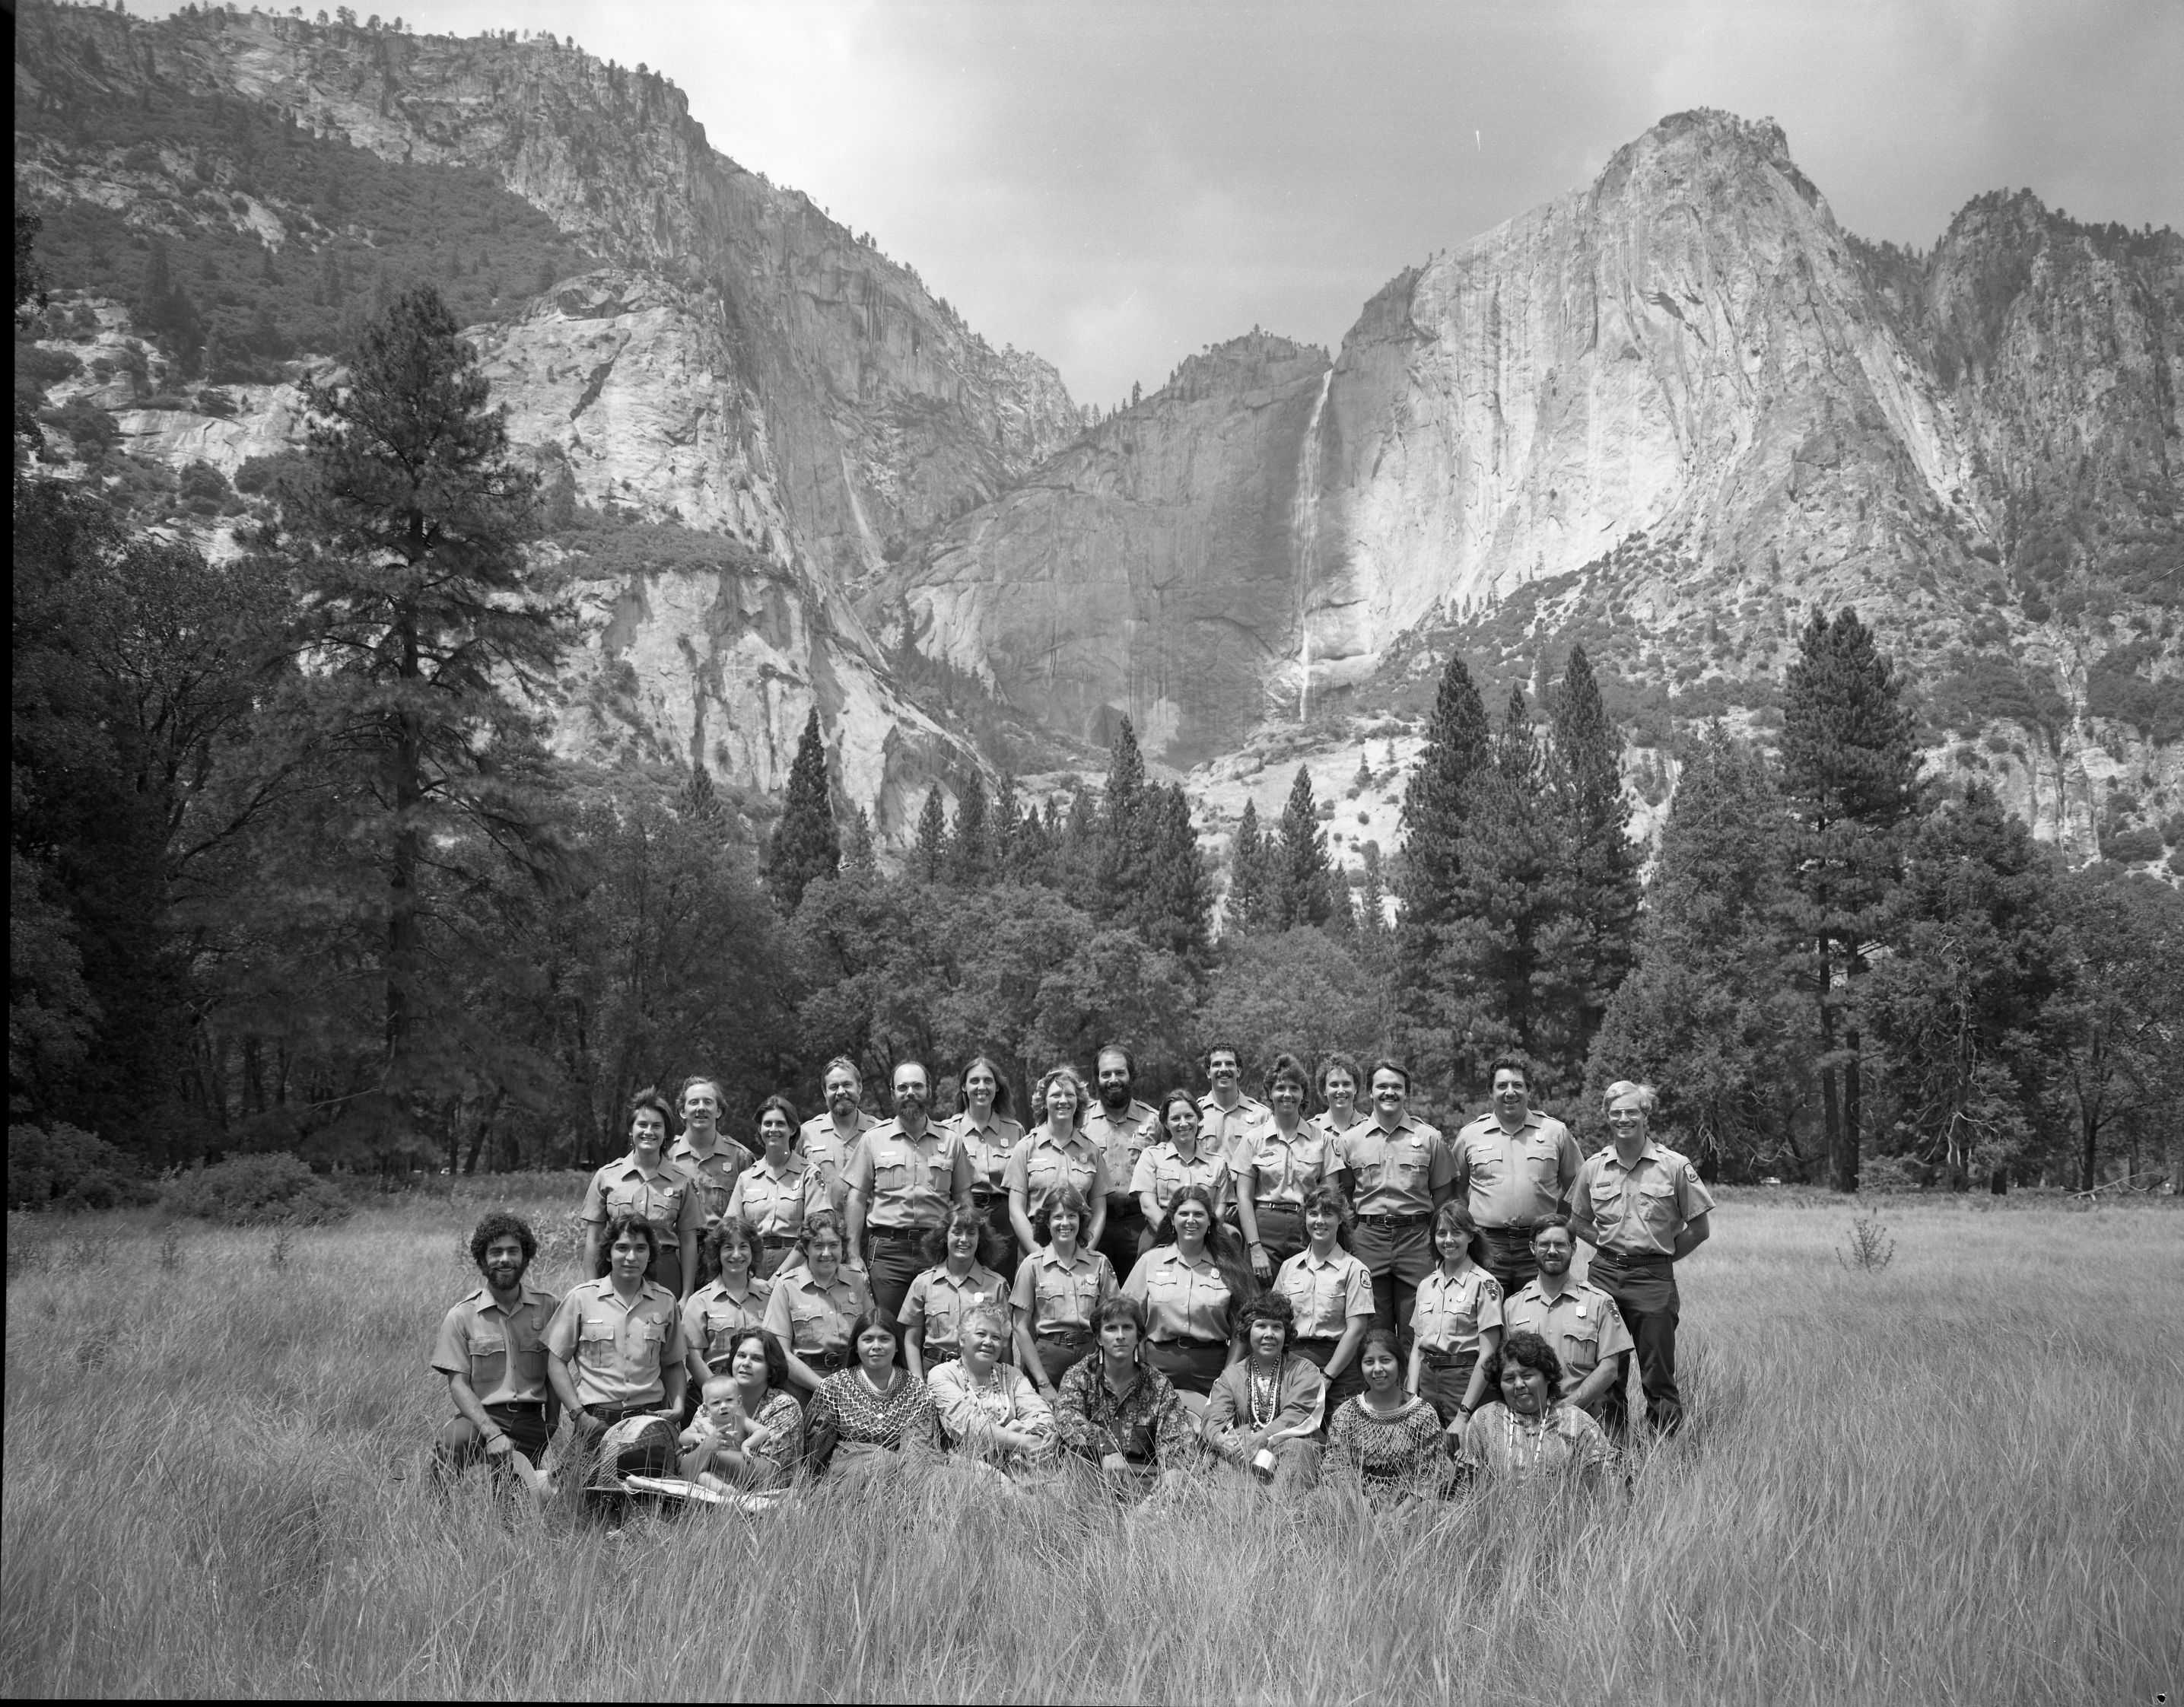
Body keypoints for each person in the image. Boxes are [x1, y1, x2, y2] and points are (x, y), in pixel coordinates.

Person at [1569, 1080, 1714, 1438]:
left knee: (1658, 1375)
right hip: (1604, 1278)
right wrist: (1604, 1245)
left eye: (1631, 1111)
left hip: (1653, 1280)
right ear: (1607, 1117)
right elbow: (1578, 1221)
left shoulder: (1673, 1166)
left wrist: (1661, 1258)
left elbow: (1699, 1227)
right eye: (1616, 1113)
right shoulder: (1594, 1167)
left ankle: (1663, 1455)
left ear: (1645, 1115)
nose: (1624, 1119)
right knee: (1606, 1372)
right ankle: (1611, 1454)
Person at [430, 1212, 558, 1494]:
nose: (504, 1259)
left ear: (526, 1257)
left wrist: (552, 1422)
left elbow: (555, 1370)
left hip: (531, 1421)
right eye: (495, 1252)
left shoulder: (549, 1307)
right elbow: (458, 1385)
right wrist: (491, 1433)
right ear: (481, 1260)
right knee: (454, 1441)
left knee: (515, 1505)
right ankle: (435, 1520)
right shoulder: (461, 1315)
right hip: (480, 1419)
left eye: (513, 1251)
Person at [1332, 1058, 1453, 1351]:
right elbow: (1345, 1192)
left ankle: (1414, 1392)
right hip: (1369, 1238)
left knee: (1419, 1322)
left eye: (1397, 1087)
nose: (1390, 1092)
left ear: (1406, 1093)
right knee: (1372, 1326)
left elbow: (1443, 1193)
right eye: (1382, 1086)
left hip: (1416, 1239)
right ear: (1370, 1093)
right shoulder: (1350, 1140)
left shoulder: (1429, 1137)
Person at [545, 1214, 689, 1459]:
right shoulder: (582, 1299)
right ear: (608, 1252)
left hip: (649, 1421)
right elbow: (555, 1360)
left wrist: (678, 1406)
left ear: (651, 1254)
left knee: (649, 1493)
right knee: (584, 1493)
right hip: (595, 1421)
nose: (631, 1257)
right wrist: (578, 1414)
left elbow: (674, 1363)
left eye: (640, 1248)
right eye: (622, 1248)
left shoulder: (665, 1301)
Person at [844, 1058, 973, 1324]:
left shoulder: (951, 1141)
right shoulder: (873, 1139)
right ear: (893, 1094)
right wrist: (854, 1254)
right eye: (902, 1088)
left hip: (936, 1249)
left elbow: (963, 1201)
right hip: (888, 1254)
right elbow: (856, 1199)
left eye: (917, 1086)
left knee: (937, 1327)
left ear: (929, 1091)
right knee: (887, 1328)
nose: (910, 1093)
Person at [1448, 1054, 1582, 1297]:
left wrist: (1556, 1218)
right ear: (1491, 1091)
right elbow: (1456, 1187)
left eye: (1518, 1085)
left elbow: (1576, 1184)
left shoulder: (1555, 1131)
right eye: (1502, 1086)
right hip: (1488, 1244)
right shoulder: (1471, 1135)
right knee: (1488, 1318)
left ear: (1529, 1089)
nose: (1510, 1092)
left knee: (1539, 1315)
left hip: (1540, 1243)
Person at [1053, 1295, 1199, 1492]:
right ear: (1098, 1338)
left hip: (1145, 1480)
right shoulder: (1079, 1376)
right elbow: (1066, 1418)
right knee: (1079, 1462)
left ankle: (1142, 1517)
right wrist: (1106, 1447)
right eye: (1111, 1328)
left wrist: (1174, 1472)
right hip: (1095, 1475)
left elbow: (1178, 1440)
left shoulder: (1158, 1384)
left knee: (1181, 1483)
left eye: (1127, 1328)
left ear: (1139, 1336)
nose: (1120, 1335)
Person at [1122, 1183, 1250, 1402]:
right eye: (1184, 1214)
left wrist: (1228, 1377)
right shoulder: (1150, 1261)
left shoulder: (1229, 1267)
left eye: (1199, 1214)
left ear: (1210, 1221)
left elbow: (1242, 1329)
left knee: (1211, 1433)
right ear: (1172, 1220)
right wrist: (1139, 1362)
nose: (1191, 1220)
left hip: (1211, 1369)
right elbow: (1127, 1316)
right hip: (1157, 1366)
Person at [1499, 1218, 1632, 1418]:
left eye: (1560, 1244)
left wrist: (1566, 1410)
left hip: (1583, 1418)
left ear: (1574, 1248)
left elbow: (1610, 1369)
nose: (1552, 1251)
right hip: (1526, 1420)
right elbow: (1506, 1369)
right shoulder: (1512, 1306)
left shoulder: (1598, 1302)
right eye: (1544, 1244)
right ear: (1532, 1248)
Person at [580, 1087, 704, 1299]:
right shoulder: (606, 1176)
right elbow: (593, 1238)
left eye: (657, 1126)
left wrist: (686, 1295)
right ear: (631, 1130)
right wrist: (591, 1289)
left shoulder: (682, 1181)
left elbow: (688, 1241)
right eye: (642, 1125)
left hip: (665, 1272)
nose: (649, 1131)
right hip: (617, 1269)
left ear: (666, 1133)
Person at [1270, 1183, 1374, 1419]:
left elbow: (1356, 1331)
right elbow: (1274, 1320)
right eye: (1313, 1213)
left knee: (1341, 1440)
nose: (1320, 1221)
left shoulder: (1354, 1269)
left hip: (1339, 1368)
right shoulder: (1289, 1267)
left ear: (1340, 1220)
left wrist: (1327, 1376)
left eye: (1328, 1214)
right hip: (1293, 1365)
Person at [805, 1310, 941, 1489]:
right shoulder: (833, 1388)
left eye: (885, 1339)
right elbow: (815, 1451)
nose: (876, 1346)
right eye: (867, 1339)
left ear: (897, 1345)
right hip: (846, 1477)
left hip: (902, 1477)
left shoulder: (916, 1392)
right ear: (856, 1345)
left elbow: (918, 1453)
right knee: (880, 1462)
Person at [1459, 1330, 1615, 1486]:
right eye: (1509, 1378)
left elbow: (1608, 1488)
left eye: (1527, 1376)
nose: (1519, 1385)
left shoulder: (1578, 1422)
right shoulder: (1484, 1420)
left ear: (1547, 1377)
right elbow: (1466, 1492)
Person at [1202, 1292, 1324, 1490]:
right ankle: (1240, 1519)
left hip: (1291, 1451)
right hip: (1244, 1451)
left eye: (1277, 1327)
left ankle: (1288, 1518)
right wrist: (1221, 1440)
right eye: (1261, 1326)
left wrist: (1261, 1437)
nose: (1269, 1334)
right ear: (1248, 1332)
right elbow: (1214, 1416)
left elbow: (1299, 1414)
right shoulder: (1231, 1376)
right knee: (1231, 1450)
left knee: (1298, 1447)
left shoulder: (1305, 1371)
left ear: (1286, 1334)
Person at [1235, 1053, 1337, 1279]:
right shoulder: (1253, 1139)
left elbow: (1331, 1197)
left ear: (1303, 1094)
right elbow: (1243, 1197)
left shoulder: (1322, 1140)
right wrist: (1255, 1247)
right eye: (1280, 1088)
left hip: (1308, 1227)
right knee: (1259, 1303)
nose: (1287, 1094)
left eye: (1295, 1088)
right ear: (1270, 1093)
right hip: (1264, 1228)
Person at [927, 1305, 1059, 1477]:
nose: (988, 1342)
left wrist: (1047, 1435)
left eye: (996, 1337)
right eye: (981, 1334)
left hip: (1018, 1459)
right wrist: (1022, 1439)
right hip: (962, 1464)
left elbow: (1040, 1412)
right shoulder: (942, 1374)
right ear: (962, 1339)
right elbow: (968, 1426)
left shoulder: (1012, 1375)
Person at [1010, 1186, 1117, 1394]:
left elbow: (1113, 1320)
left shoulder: (1100, 1264)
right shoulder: (1032, 1265)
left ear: (1082, 1220)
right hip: (1048, 1361)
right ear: (1047, 1222)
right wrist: (1043, 1383)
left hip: (1091, 1358)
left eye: (1072, 1216)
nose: (1065, 1223)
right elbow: (1020, 1329)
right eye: (1058, 1217)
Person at [1407, 1200, 1503, 1428]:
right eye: (1441, 1233)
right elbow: (1416, 1349)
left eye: (1456, 1232)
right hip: (1428, 1381)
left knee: (1467, 1454)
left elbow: (1488, 1354)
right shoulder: (1426, 1285)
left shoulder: (1484, 1284)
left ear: (1470, 1237)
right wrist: (1411, 1397)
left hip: (1464, 1382)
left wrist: (1464, 1413)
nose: (1448, 1240)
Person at [1323, 1328, 1446, 1500]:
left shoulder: (1423, 1414)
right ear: (1360, 1367)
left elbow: (1429, 1479)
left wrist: (1395, 1516)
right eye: (1369, 1362)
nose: (1378, 1369)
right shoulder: (1346, 1414)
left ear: (1399, 1363)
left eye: (1385, 1360)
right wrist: (1361, 1510)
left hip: (1409, 1509)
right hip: (1357, 1506)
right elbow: (1335, 1470)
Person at [762, 1215, 875, 1397]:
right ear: (806, 1248)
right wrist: (825, 1389)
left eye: (833, 1245)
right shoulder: (787, 1286)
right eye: (818, 1246)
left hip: (854, 1384)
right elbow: (780, 1352)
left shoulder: (857, 1280)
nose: (826, 1253)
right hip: (803, 1386)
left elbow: (873, 1335)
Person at [677, 1329, 803, 1490]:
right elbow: (686, 1472)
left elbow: (769, 1474)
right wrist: (707, 1446)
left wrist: (713, 1451)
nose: (746, 1363)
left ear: (771, 1369)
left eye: (757, 1358)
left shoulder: (784, 1406)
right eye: (742, 1356)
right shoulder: (711, 1405)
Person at [1005, 1064, 1109, 1259]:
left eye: (1070, 1095)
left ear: (1078, 1101)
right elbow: (1015, 1210)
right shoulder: (1025, 1148)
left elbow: (1100, 1210)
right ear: (1044, 1101)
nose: (1063, 1101)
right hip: (1034, 1248)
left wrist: (1084, 1253)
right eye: (1055, 1095)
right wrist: (1040, 1255)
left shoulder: (1092, 1150)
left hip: (1080, 1246)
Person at [900, 1201, 1011, 1381]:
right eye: (957, 1232)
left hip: (982, 1378)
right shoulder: (924, 1283)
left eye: (971, 1233)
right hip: (934, 1375)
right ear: (945, 1237)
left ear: (980, 1239)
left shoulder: (997, 1285)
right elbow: (911, 1340)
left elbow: (1005, 1344)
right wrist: (919, 1384)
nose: (964, 1240)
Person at [723, 1095, 827, 1279]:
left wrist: (780, 1275)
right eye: (767, 1124)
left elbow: (814, 1232)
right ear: (760, 1128)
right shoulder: (747, 1178)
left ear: (793, 1128)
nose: (773, 1129)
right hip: (751, 1267)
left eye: (780, 1124)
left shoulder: (809, 1174)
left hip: (797, 1267)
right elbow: (730, 1230)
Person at [1083, 1042, 1159, 1281]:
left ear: (1132, 1076)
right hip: (1094, 1225)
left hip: (1139, 1225)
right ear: (1096, 1078)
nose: (1113, 1080)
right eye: (1106, 1074)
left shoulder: (1154, 1121)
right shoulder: (1080, 1121)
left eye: (1119, 1073)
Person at [948, 1054, 1025, 1273]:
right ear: (964, 1087)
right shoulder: (948, 1131)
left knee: (1003, 1281)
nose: (981, 1087)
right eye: (974, 1081)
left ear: (997, 1087)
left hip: (1004, 1218)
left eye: (988, 1081)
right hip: (962, 1213)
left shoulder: (1015, 1130)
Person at [682, 1220, 774, 1390]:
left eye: (743, 1246)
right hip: (717, 1392)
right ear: (717, 1253)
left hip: (763, 1389)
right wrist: (720, 1393)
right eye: (728, 1247)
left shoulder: (770, 1296)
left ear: (753, 1251)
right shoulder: (700, 1302)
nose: (737, 1255)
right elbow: (693, 1357)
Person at [1129, 1087, 1229, 1242]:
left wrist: (1198, 1241)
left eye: (1189, 1116)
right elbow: (1149, 1207)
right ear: (1166, 1124)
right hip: (1161, 1238)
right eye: (1175, 1118)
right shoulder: (1151, 1156)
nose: (1183, 1123)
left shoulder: (1218, 1164)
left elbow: (1219, 1212)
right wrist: (1176, 1239)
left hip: (1206, 1240)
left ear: (1198, 1119)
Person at [668, 1073, 755, 1238]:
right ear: (682, 1111)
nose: (701, 1108)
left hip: (722, 1252)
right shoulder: (666, 1155)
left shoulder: (740, 1157)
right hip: (678, 1250)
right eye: (694, 1102)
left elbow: (751, 1213)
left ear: (719, 1111)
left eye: (708, 1102)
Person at [798, 1055, 879, 1216]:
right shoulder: (806, 1133)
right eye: (834, 1087)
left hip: (867, 1233)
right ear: (824, 1091)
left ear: (860, 1087)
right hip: (821, 1233)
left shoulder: (879, 1131)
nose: (841, 1092)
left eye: (847, 1085)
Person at [1197, 1041, 1268, 1187]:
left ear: (1239, 1071)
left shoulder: (1262, 1116)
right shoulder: (1194, 1114)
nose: (1223, 1069)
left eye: (1229, 1064)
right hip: (1204, 1199)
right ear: (1207, 1073)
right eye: (1217, 1064)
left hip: (1247, 1198)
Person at [1309, 1053, 1365, 1145]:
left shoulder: (1369, 1129)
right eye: (1334, 1085)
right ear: (1324, 1089)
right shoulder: (1310, 1130)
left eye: (1346, 1084)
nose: (1341, 1090)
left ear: (1355, 1088)